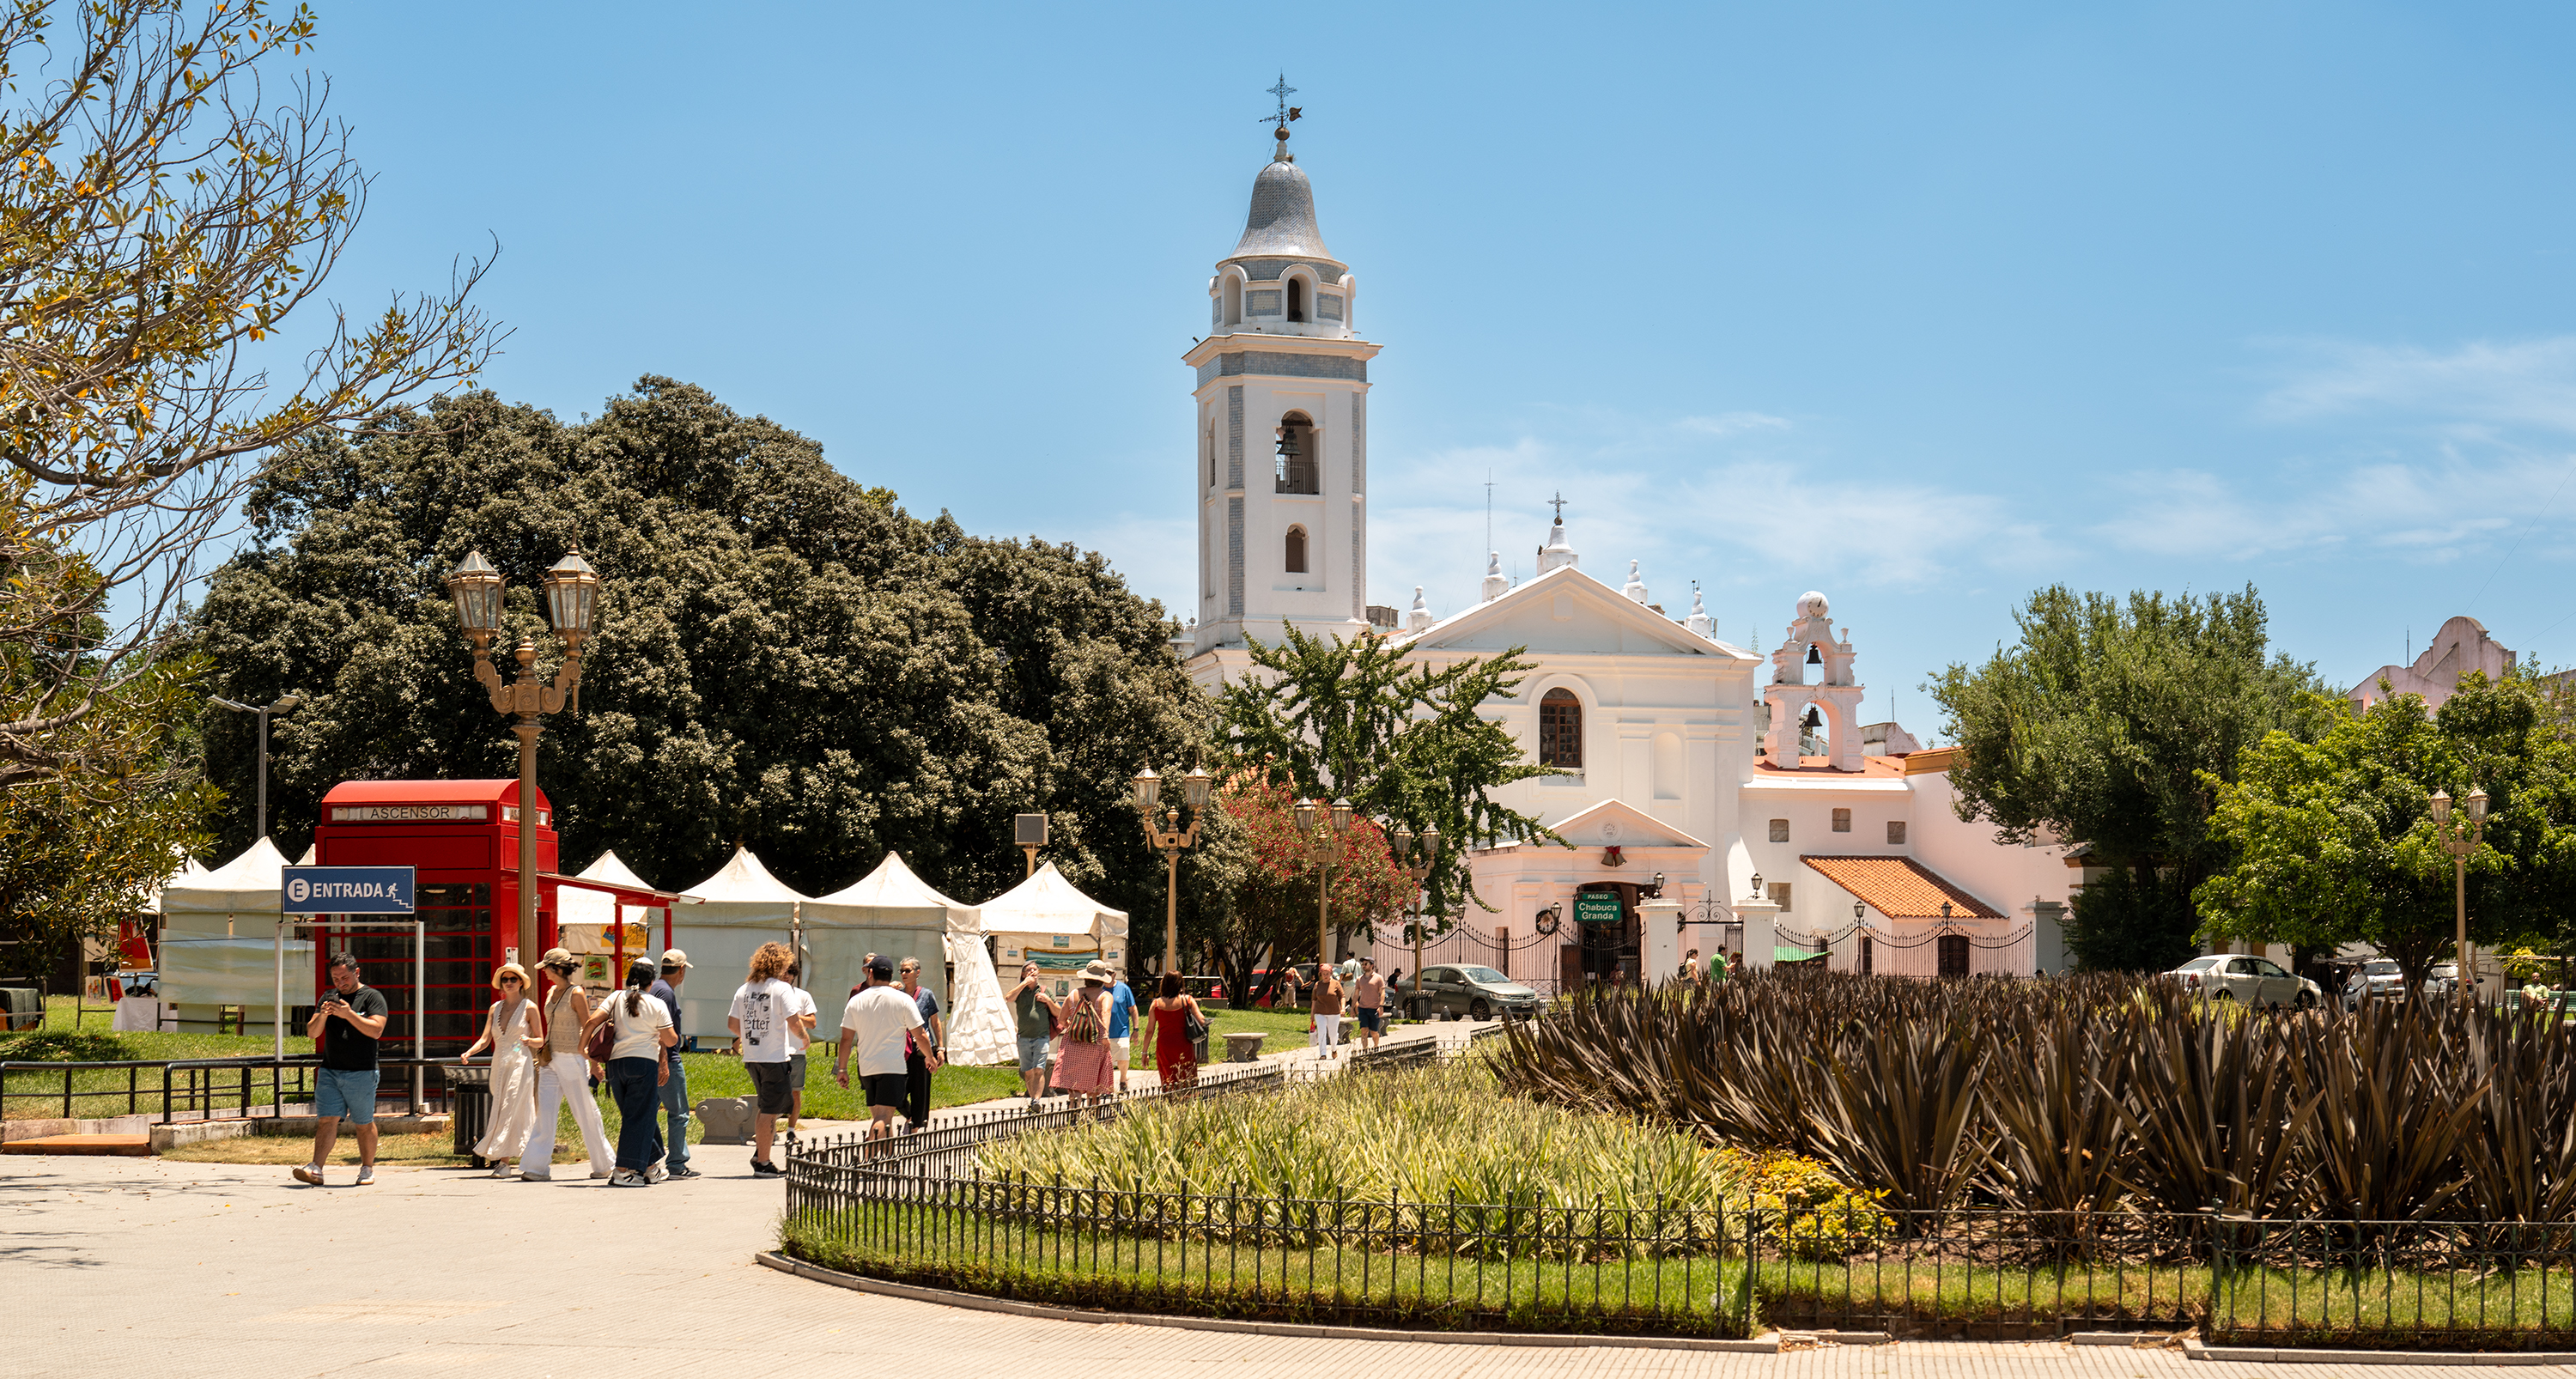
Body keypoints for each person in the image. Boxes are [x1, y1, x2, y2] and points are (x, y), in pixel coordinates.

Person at [295, 951, 389, 1188]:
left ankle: (367, 1168)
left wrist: (349, 1015)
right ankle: (316, 1168)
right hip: (330, 1070)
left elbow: (377, 1030)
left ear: (356, 972)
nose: (340, 983)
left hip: (361, 1072)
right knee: (327, 1120)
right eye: (335, 979)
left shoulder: (372, 997)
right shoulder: (328, 997)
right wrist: (324, 1015)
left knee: (363, 1122)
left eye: (344, 977)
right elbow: (312, 1032)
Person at [519, 949, 611, 1182]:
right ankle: (536, 1167)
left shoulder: (576, 993)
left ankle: (604, 1164)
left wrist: (592, 1063)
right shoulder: (551, 992)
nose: (546, 974)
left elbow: (587, 1027)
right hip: (550, 1060)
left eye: (548, 969)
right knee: (546, 1113)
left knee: (584, 1112)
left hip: (572, 1057)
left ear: (558, 969)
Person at [586, 958, 675, 1186]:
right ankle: (623, 1171)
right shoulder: (656, 1004)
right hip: (643, 1063)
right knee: (639, 1118)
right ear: (651, 982)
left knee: (635, 1117)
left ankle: (650, 1167)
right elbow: (670, 1039)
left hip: (615, 1064)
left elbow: (592, 1021)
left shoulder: (615, 997)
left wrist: (582, 1048)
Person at [834, 953, 933, 1143]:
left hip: (866, 1067)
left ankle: (885, 1165)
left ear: (870, 973)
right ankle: (870, 1162)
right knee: (883, 1118)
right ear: (891, 976)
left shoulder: (856, 1000)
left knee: (881, 1118)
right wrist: (929, 1057)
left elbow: (846, 1039)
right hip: (891, 1067)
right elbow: (920, 1035)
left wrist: (842, 1069)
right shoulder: (903, 1000)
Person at [460, 963, 544, 1178]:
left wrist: (528, 1040)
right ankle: (530, 1157)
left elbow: (540, 1040)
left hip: (520, 1063)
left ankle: (504, 1163)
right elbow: (485, 1039)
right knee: (505, 1108)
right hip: (499, 1065)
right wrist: (469, 1052)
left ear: (521, 982)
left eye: (513, 979)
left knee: (509, 1106)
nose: (509, 983)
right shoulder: (495, 1008)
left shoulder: (529, 1007)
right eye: (505, 979)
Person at [726, 941, 799, 1176]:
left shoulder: (744, 988)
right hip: (774, 1057)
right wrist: (804, 1038)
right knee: (770, 1110)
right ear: (780, 963)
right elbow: (794, 1021)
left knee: (769, 1105)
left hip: (754, 1057)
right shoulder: (781, 988)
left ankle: (761, 1153)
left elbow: (732, 1025)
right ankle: (763, 1163)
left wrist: (750, 1036)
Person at [650, 949, 697, 1179]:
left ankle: (647, 1159)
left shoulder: (656, 987)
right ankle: (677, 1163)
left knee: (649, 1112)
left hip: (654, 1058)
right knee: (678, 1113)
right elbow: (662, 1032)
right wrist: (665, 1062)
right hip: (668, 1059)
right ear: (681, 970)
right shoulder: (666, 994)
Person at [1050, 962, 1117, 1117]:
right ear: (1102, 978)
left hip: (1073, 1043)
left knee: (1075, 1086)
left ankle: (1073, 1117)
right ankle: (1092, 1118)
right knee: (1094, 1085)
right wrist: (1105, 1035)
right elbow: (1106, 1014)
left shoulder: (1073, 994)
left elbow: (1061, 1020)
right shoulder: (1105, 996)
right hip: (1096, 1043)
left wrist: (1077, 1028)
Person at [896, 956, 944, 1132]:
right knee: (897, 1090)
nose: (904, 974)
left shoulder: (926, 995)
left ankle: (916, 1126)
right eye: (901, 970)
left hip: (921, 1049)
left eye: (907, 970)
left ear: (918, 972)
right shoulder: (897, 995)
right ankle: (910, 1115)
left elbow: (935, 1022)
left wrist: (940, 1048)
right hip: (901, 1048)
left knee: (920, 1090)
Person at [1144, 973, 1204, 1093]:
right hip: (1184, 1044)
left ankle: (1170, 1102)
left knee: (1168, 1077)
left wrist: (1144, 1051)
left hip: (1164, 1046)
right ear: (1180, 984)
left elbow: (1149, 1030)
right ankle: (1187, 1101)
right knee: (1187, 1075)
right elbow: (1201, 1020)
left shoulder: (1156, 1004)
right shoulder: (1187, 1001)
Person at [1005, 961, 1054, 1103]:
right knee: (1028, 1072)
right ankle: (1033, 1098)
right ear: (1023, 973)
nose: (1032, 972)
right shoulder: (1020, 991)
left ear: (1039, 973)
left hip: (1042, 1037)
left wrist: (1048, 1001)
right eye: (1028, 970)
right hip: (1024, 1038)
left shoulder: (1045, 990)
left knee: (1039, 1069)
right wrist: (1024, 983)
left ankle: (1036, 1101)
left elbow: (1058, 1011)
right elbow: (1008, 998)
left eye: (1034, 970)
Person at [781, 960, 819, 1132]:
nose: (786, 975)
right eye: (782, 971)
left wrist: (794, 1016)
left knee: (795, 1093)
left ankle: (791, 1130)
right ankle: (769, 1130)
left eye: (790, 972)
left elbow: (812, 1022)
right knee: (774, 1095)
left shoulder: (803, 996)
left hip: (797, 1052)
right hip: (775, 1052)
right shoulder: (768, 995)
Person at [1106, 966, 1137, 1093]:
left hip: (1122, 1031)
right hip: (1104, 1033)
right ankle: (1107, 1086)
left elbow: (1133, 1009)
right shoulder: (1099, 990)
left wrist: (1136, 1029)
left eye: (1110, 973)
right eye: (1106, 973)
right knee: (1106, 1061)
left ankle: (1123, 1079)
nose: (1108, 975)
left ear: (1115, 974)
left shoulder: (1124, 989)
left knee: (1123, 1057)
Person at [1350, 957, 1387, 1053]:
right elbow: (1356, 994)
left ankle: (1376, 1046)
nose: (1364, 966)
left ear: (1372, 965)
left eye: (1366, 964)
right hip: (1363, 1009)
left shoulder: (1378, 978)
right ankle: (1365, 1050)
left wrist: (1381, 1006)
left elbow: (1382, 992)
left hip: (1374, 1008)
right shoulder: (1359, 979)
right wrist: (1352, 1008)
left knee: (1374, 1032)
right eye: (1363, 964)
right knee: (1364, 1030)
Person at [1309, 963, 1345, 1059]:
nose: (1325, 976)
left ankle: (1334, 1049)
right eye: (1323, 974)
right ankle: (1323, 1054)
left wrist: (1343, 1008)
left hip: (1334, 1012)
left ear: (1331, 973)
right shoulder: (1318, 985)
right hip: (1320, 1012)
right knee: (1321, 1033)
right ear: (1321, 974)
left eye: (1327, 974)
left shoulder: (1336, 984)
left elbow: (1342, 996)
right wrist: (1312, 1013)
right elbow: (1314, 1000)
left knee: (1333, 1034)